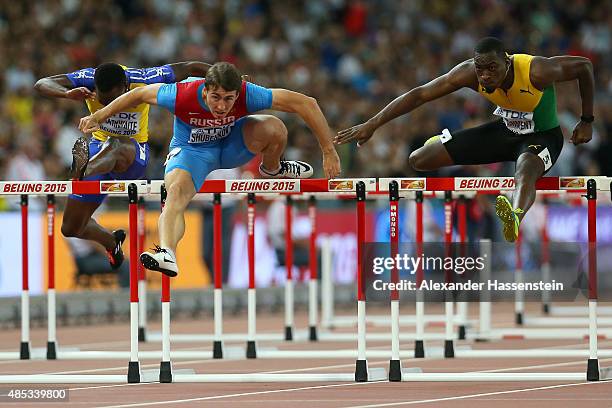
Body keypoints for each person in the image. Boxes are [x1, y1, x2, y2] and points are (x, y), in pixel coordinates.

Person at [78, 61, 342, 277]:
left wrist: (328, 150)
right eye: (215, 97)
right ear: (204, 90)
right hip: (193, 153)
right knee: (176, 193)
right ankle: (167, 253)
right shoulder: (181, 94)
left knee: (274, 127)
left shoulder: (249, 94)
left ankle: (272, 169)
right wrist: (98, 116)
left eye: (229, 99)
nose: (221, 106)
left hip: (232, 146)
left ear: (238, 93)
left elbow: (306, 103)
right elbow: (137, 94)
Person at [336, 37, 594, 242]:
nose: (485, 76)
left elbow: (584, 66)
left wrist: (587, 120)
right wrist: (373, 124)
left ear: (507, 61)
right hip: (505, 133)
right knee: (419, 160)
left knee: (525, 170)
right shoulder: (469, 73)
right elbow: (419, 94)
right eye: (480, 69)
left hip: (542, 137)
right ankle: (442, 141)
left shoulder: (536, 70)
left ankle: (514, 217)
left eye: (492, 68)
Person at [34, 61, 211, 268]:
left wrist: (229, 81)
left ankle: (84, 169)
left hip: (133, 155)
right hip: (98, 151)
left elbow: (190, 67)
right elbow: (42, 83)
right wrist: (67, 94)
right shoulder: (89, 78)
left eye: (114, 101)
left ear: (125, 89)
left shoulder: (145, 78)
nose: (109, 108)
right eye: (103, 101)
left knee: (116, 144)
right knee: (72, 228)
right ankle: (111, 241)